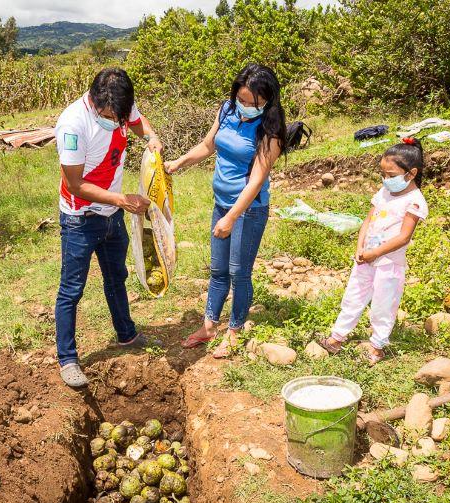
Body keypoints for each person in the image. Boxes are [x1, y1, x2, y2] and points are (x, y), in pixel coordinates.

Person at [165, 64, 293, 358]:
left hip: (247, 209)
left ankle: (234, 331)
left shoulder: (270, 131)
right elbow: (208, 145)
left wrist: (231, 217)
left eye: (254, 103)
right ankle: (209, 326)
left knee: (239, 272)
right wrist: (179, 162)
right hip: (221, 203)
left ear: (268, 101)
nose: (247, 107)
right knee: (218, 269)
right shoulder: (226, 110)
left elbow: (257, 178)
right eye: (243, 100)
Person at [54, 67, 163, 388]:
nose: (117, 122)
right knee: (71, 289)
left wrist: (152, 137)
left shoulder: (121, 105)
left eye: (121, 115)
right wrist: (121, 199)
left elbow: (138, 121)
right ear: (94, 101)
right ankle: (68, 358)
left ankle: (126, 334)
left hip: (112, 214)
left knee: (117, 276)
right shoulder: (73, 125)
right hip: (80, 218)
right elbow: (74, 184)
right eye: (110, 115)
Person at [320, 138, 429, 364]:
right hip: (365, 258)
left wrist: (376, 253)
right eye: (383, 174)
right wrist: (361, 247)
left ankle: (377, 346)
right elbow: (368, 221)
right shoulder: (383, 192)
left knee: (383, 304)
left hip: (389, 263)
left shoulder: (415, 201)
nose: (386, 179)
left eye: (391, 175)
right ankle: (336, 338)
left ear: (411, 173)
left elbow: (404, 236)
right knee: (353, 296)